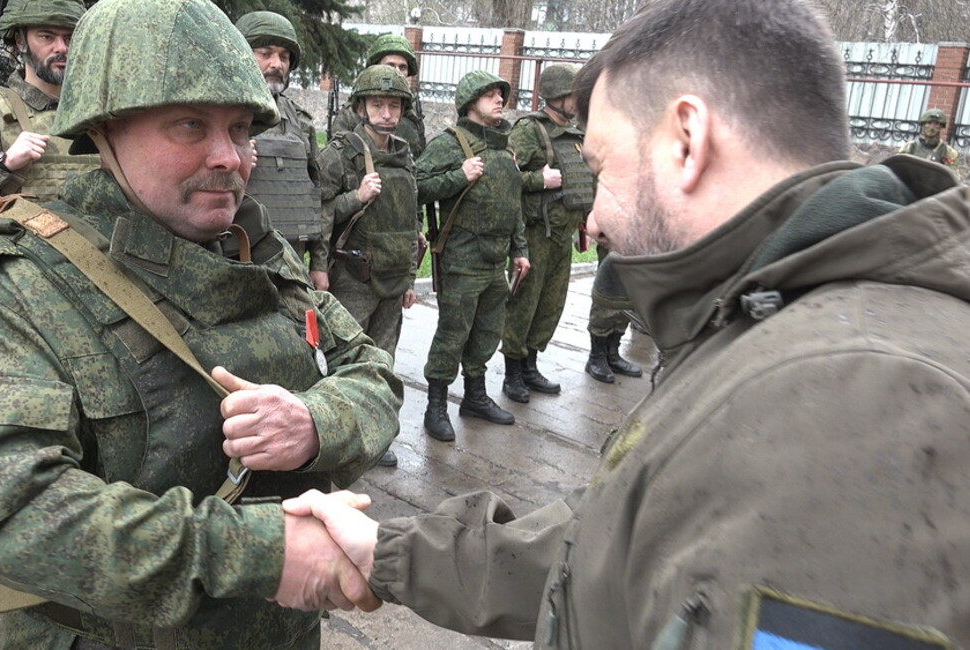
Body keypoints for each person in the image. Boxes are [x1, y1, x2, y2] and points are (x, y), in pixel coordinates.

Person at [286, 0, 970, 647]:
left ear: (686, 140)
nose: (594, 219)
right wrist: (388, 554)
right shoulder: (779, 325)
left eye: (602, 167)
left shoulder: (861, 397)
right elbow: (620, 539)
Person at [0, 0, 401, 648]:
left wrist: (313, 422)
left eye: (240, 129)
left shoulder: (255, 247)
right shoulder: (21, 284)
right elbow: (13, 516)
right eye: (189, 124)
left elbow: (373, 371)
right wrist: (265, 553)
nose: (230, 158)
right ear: (104, 129)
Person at [313, 65, 419, 468]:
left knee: (383, 361)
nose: (387, 113)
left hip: (393, 277)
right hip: (353, 275)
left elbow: (412, 219)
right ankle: (336, 439)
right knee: (346, 361)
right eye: (378, 104)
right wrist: (354, 198)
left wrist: (410, 275)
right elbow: (320, 209)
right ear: (361, 107)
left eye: (394, 105)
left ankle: (376, 437)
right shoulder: (340, 153)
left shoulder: (404, 155)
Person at [416, 70, 529, 443]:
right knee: (453, 334)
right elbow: (415, 186)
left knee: (487, 333)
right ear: (470, 102)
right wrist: (458, 177)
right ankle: (436, 406)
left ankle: (475, 397)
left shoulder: (503, 146)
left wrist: (520, 250)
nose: (500, 99)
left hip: (496, 260)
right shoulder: (451, 143)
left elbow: (514, 205)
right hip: (462, 259)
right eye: (491, 95)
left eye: (501, 94)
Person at [501, 63, 594, 403]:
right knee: (524, 303)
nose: (577, 102)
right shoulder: (529, 131)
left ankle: (530, 364)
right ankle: (512, 372)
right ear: (556, 97)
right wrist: (539, 180)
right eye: (573, 96)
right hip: (535, 233)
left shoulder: (575, 134)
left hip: (563, 233)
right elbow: (504, 176)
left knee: (551, 304)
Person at [235, 10, 322, 271]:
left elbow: (318, 195)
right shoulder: (218, 115)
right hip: (236, 253)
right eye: (266, 53)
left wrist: (319, 264)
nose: (277, 64)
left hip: (292, 258)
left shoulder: (301, 122)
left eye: (284, 56)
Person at [0, 0, 99, 202]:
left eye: (69, 38)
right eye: (46, 36)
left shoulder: (98, 109)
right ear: (21, 41)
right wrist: (5, 164)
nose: (61, 48)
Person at [331, 33, 427, 158]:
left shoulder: (412, 110)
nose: (397, 72)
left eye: (403, 67)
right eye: (390, 66)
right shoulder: (351, 114)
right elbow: (337, 160)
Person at [583, 243, 644, 383]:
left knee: (627, 294)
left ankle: (612, 354)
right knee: (608, 292)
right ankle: (596, 357)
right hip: (612, 234)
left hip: (635, 236)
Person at [897, 107, 960, 172]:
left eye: (936, 124)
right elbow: (898, 169)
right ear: (923, 125)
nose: (932, 127)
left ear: (941, 127)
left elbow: (952, 176)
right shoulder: (909, 146)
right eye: (929, 123)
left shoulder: (948, 152)